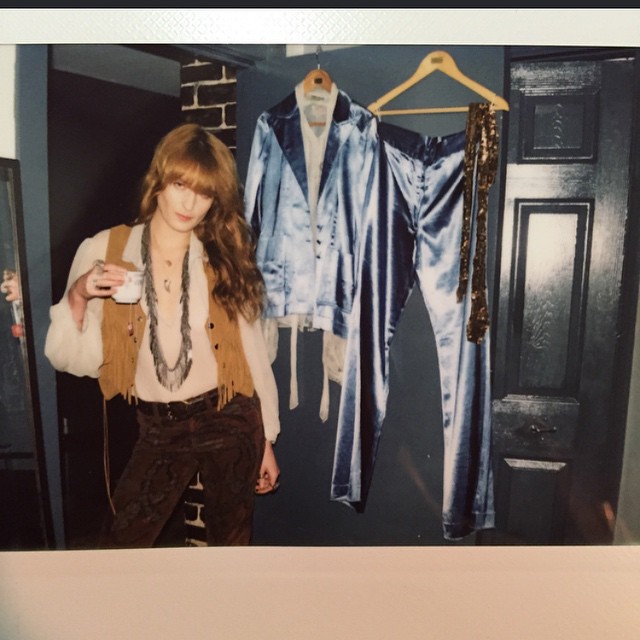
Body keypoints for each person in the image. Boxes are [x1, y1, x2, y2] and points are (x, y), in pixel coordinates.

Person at [45, 123, 281, 547]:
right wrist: (78, 294)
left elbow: (252, 353)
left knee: (231, 548)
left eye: (205, 193)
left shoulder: (221, 255)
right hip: (159, 428)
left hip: (229, 417)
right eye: (180, 185)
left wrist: (267, 439)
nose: (190, 203)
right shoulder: (105, 249)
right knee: (119, 545)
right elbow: (74, 360)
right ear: (159, 181)